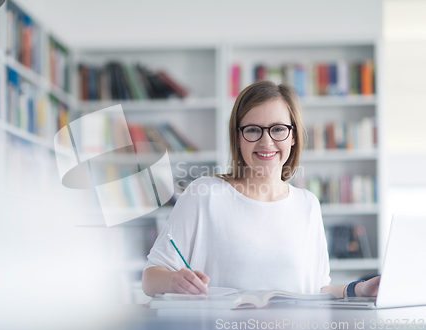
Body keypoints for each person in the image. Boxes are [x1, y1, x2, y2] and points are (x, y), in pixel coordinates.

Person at [141, 80, 380, 298]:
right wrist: (173, 281)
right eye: (253, 130)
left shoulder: (307, 204)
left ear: (293, 136)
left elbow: (315, 289)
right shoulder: (204, 194)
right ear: (238, 138)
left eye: (277, 129)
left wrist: (358, 289)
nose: (266, 141)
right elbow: (150, 279)